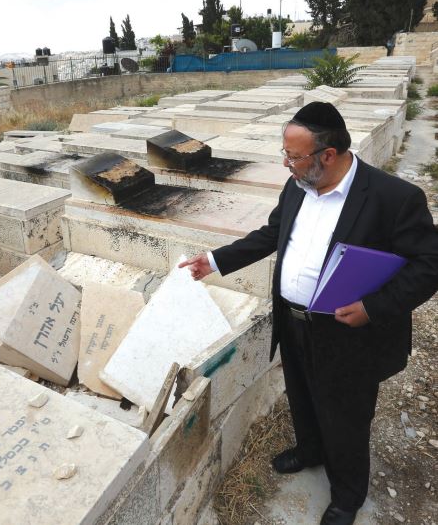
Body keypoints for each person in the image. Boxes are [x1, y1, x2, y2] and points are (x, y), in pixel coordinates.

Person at [179, 101, 438, 525]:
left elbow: (429, 265)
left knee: (346, 415)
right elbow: (272, 234)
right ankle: (311, 449)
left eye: (294, 156)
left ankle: (347, 495)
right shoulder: (298, 186)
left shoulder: (393, 198)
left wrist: (373, 308)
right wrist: (215, 260)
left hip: (350, 332)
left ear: (328, 155)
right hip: (294, 321)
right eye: (285, 154)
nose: (287, 164)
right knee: (301, 395)